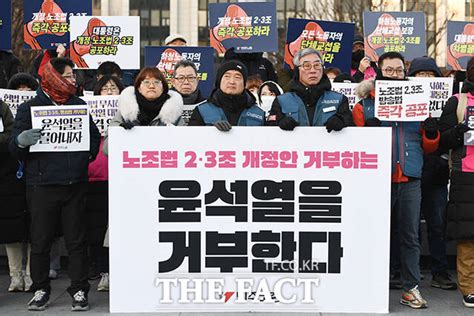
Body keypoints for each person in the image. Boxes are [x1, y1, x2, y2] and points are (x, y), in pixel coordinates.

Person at [9, 57, 101, 311]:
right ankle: (40, 289)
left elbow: (93, 136)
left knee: (76, 241)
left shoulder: (79, 105)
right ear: (54, 77)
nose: (73, 80)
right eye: (69, 75)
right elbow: (14, 146)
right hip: (41, 185)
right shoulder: (30, 107)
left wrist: (86, 154)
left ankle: (79, 290)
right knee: (41, 240)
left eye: (73, 76)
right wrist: (21, 141)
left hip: (75, 183)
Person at [352, 51, 439, 309]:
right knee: (373, 234)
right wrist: (366, 132)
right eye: (388, 70)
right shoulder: (364, 104)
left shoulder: (418, 103)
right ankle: (368, 285)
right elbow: (353, 146)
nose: (394, 74)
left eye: (398, 70)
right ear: (379, 72)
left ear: (405, 71)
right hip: (376, 178)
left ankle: (411, 288)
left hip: (410, 176)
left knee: (411, 236)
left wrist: (432, 133)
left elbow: (429, 146)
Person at [407, 56, 457, 291]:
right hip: (409, 173)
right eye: (421, 75)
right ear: (412, 78)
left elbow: (449, 139)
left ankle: (439, 271)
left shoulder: (448, 103)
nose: (425, 79)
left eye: (430, 75)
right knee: (409, 226)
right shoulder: (402, 101)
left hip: (436, 173)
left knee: (437, 226)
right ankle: (408, 273)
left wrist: (441, 134)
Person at [438, 57, 474, 308]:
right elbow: (441, 140)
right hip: (465, 174)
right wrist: (456, 133)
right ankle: (469, 286)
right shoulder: (458, 102)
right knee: (468, 234)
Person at [86, 75, 124, 292]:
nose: (110, 92)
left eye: (114, 88)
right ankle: (102, 270)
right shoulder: (88, 111)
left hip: (119, 178)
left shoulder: (126, 115)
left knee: (115, 229)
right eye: (105, 89)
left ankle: (113, 269)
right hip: (93, 178)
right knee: (97, 228)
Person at [103, 67, 185, 155]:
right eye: (146, 82)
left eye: (156, 82)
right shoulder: (124, 112)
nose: (151, 86)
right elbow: (106, 150)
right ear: (139, 88)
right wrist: (121, 133)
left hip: (164, 164)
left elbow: (185, 146)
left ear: (163, 88)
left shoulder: (174, 114)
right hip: (132, 164)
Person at [266, 48, 352, 131]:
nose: (313, 70)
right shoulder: (282, 101)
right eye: (307, 66)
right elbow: (267, 131)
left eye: (317, 65)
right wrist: (279, 123)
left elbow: (353, 128)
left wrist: (342, 120)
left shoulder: (339, 99)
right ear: (297, 70)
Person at [188, 60, 265, 129]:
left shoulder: (259, 114)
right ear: (219, 81)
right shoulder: (202, 111)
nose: (232, 81)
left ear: (244, 84)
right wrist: (211, 130)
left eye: (237, 77)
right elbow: (191, 140)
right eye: (227, 76)